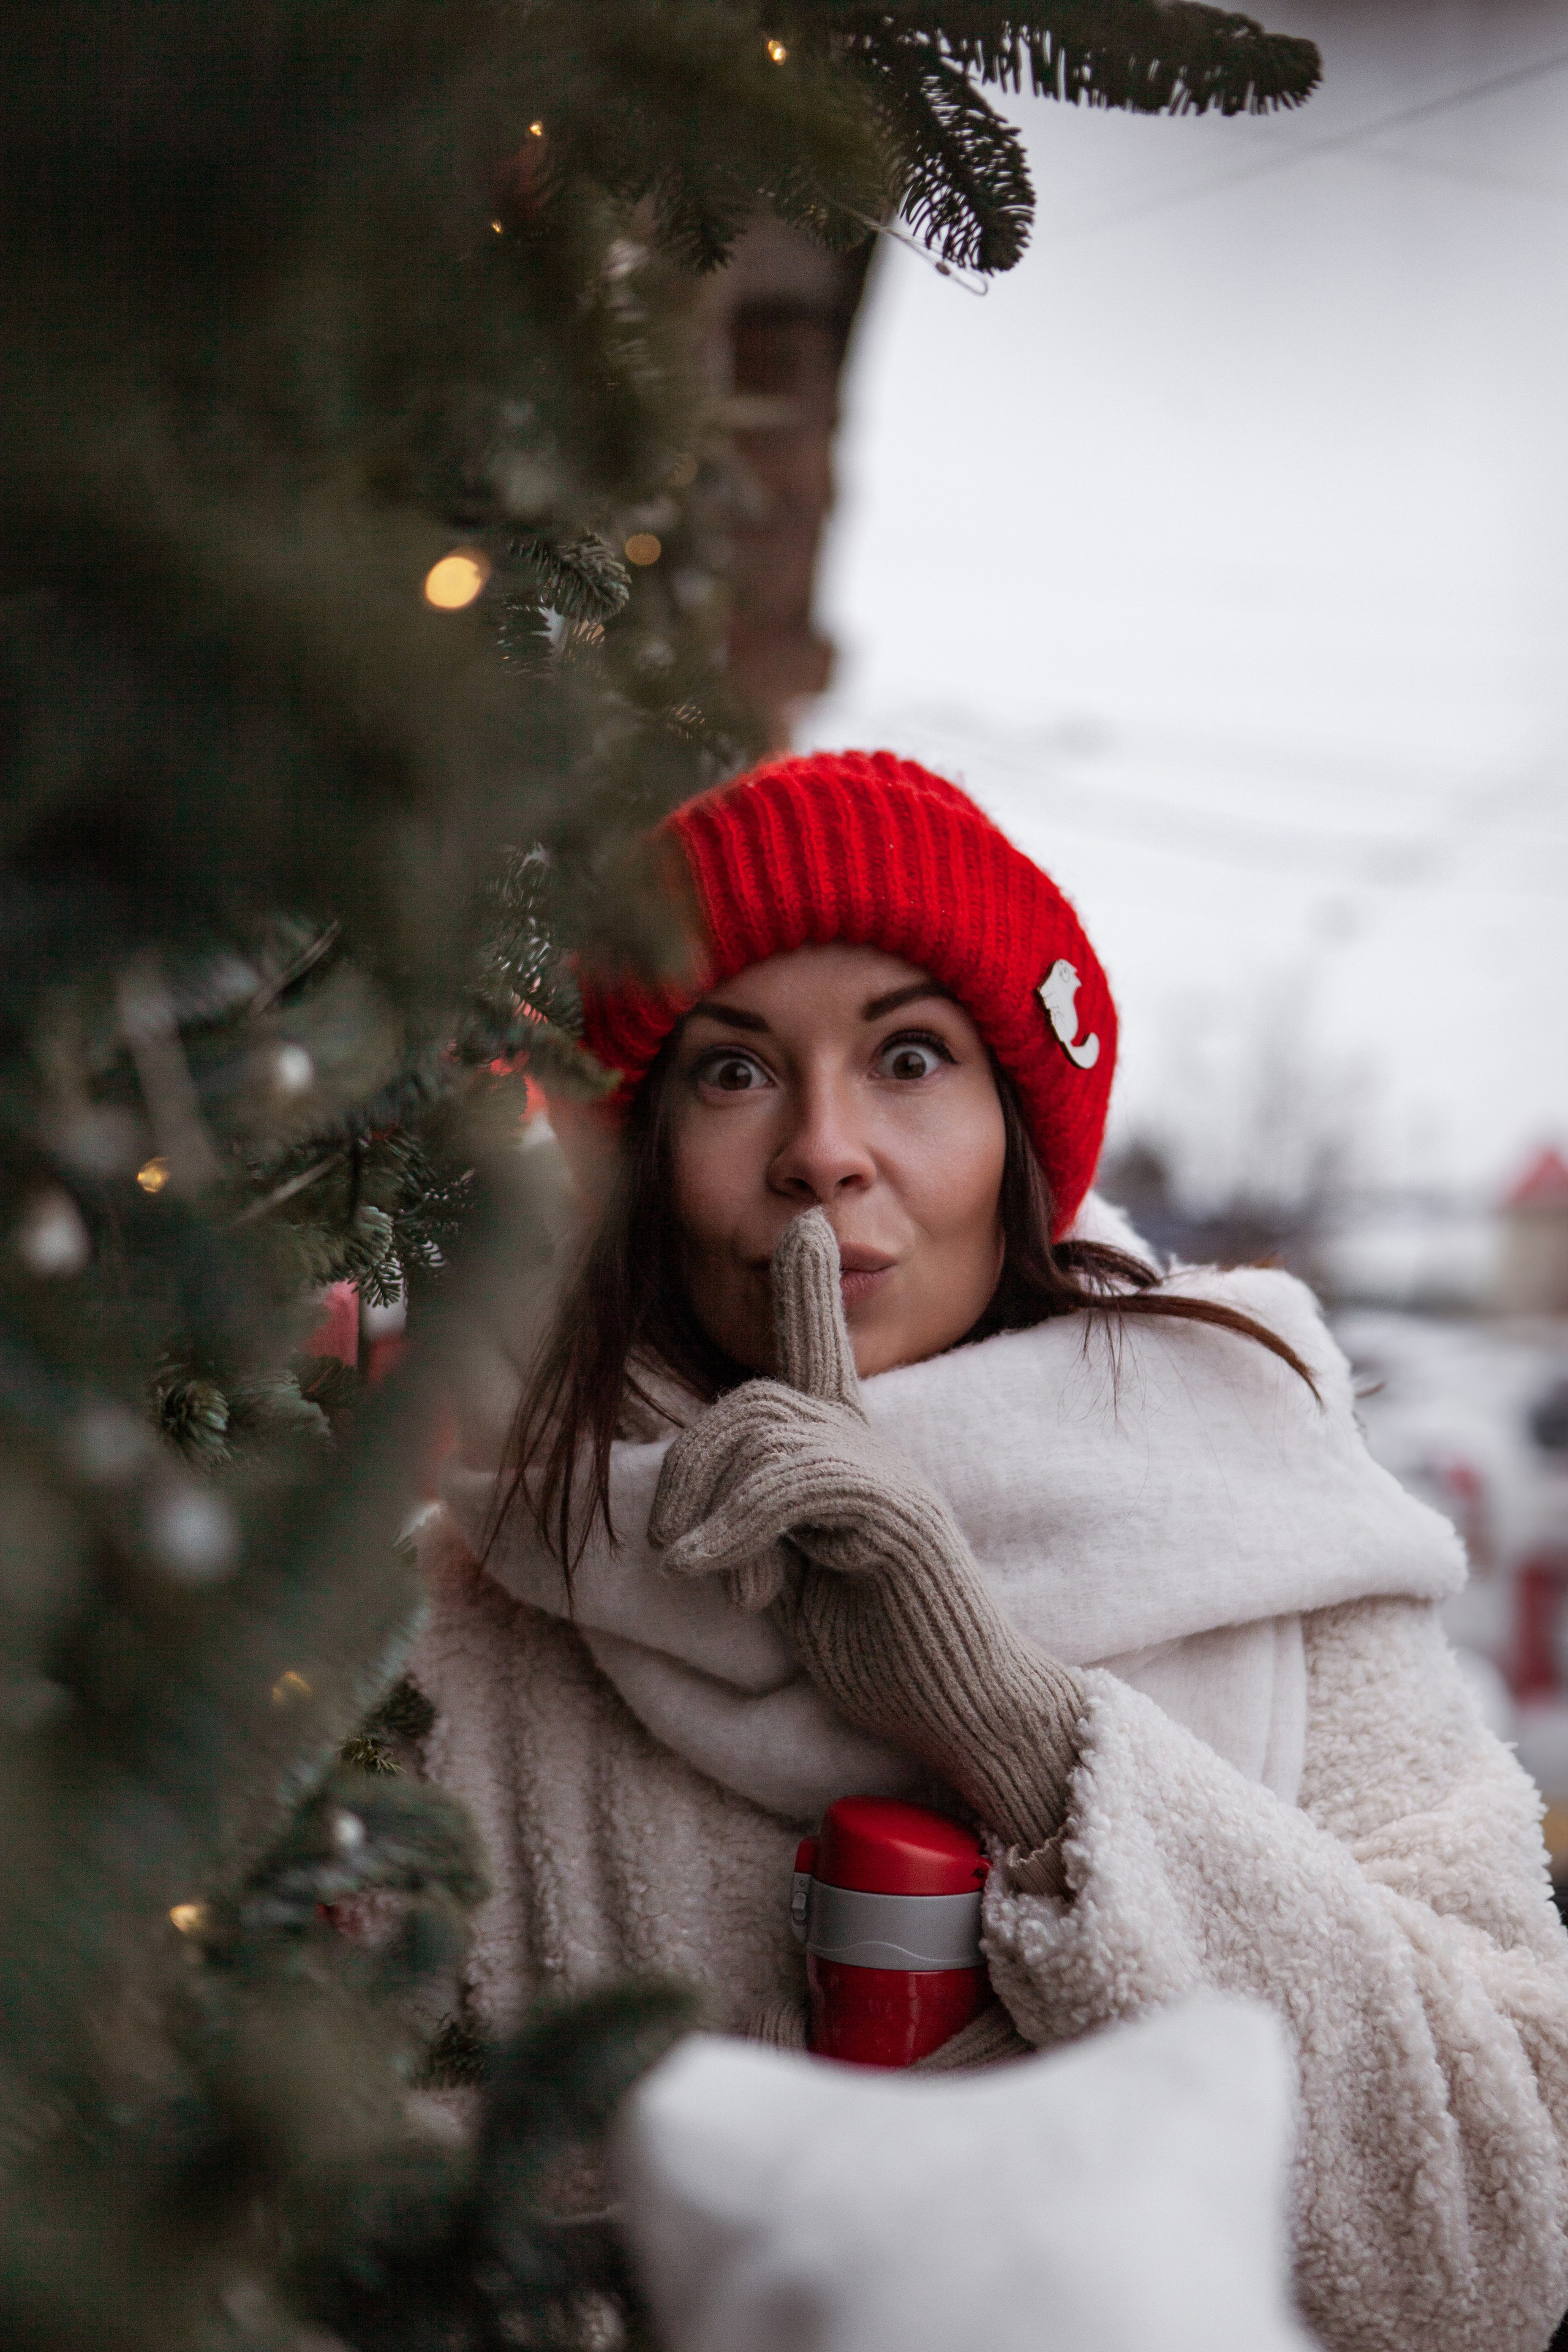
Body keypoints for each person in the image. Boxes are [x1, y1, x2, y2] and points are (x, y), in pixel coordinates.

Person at [411, 749, 1568, 2352]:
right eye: (734, 1073)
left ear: (1018, 1136)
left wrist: (1015, 1730)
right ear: (640, 1161)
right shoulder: (482, 1604)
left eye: (908, 1055)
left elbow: (1502, 2242)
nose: (823, 1147)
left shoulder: (1272, 1530)